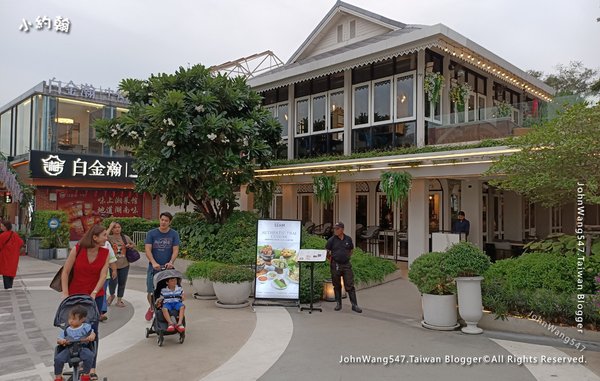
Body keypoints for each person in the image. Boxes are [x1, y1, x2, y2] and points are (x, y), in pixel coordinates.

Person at [61, 224, 110, 381]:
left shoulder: (105, 252)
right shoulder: (78, 249)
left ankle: (91, 368)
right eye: (104, 235)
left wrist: (95, 292)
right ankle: (75, 363)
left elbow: (103, 275)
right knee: (73, 329)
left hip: (95, 296)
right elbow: (66, 271)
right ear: (95, 237)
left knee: (92, 331)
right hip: (75, 296)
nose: (106, 238)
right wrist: (65, 295)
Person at [144, 212, 180, 321]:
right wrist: (154, 262)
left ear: (170, 222)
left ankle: (166, 310)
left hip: (168, 269)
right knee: (151, 291)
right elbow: (147, 249)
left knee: (168, 290)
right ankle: (152, 308)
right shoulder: (151, 233)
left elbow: (175, 250)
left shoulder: (174, 234)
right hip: (154, 268)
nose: (163, 222)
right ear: (159, 220)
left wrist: (171, 261)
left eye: (166, 221)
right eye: (162, 220)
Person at [325, 222, 362, 313]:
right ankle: (338, 303)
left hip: (346, 265)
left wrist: (347, 257)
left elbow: (351, 250)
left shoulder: (348, 239)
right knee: (336, 285)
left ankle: (354, 305)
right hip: (335, 265)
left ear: (342, 229)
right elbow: (327, 252)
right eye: (334, 229)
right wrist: (332, 259)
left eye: (337, 229)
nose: (335, 230)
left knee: (350, 285)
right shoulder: (331, 240)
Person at [54, 305, 96, 381]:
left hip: (82, 348)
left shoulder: (86, 327)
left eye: (74, 319)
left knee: (89, 356)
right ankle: (58, 377)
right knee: (58, 359)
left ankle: (85, 375)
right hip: (69, 349)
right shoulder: (66, 330)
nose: (70, 321)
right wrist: (62, 341)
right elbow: (59, 339)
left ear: (82, 319)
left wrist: (91, 336)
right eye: (69, 318)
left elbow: (92, 334)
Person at [107, 221, 134, 308]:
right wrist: (110, 227)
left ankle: (119, 300)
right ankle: (111, 295)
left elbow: (133, 244)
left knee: (122, 282)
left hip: (124, 264)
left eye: (119, 227)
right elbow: (104, 237)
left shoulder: (125, 237)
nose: (117, 229)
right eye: (115, 227)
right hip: (113, 264)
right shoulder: (110, 238)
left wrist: (130, 246)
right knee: (112, 282)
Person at [0, 220, 23, 289]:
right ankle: (9, 287)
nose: (1, 227)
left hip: (5, 259)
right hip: (14, 258)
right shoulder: (15, 235)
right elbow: (21, 243)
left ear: (5, 227)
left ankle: (7, 288)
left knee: (6, 274)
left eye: (2, 226)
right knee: (11, 274)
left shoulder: (2, 236)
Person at [99, 237, 117, 322]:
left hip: (105, 275)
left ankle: (101, 313)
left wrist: (114, 270)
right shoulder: (88, 244)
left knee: (102, 293)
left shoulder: (107, 244)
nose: (106, 237)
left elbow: (111, 257)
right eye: (104, 235)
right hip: (91, 275)